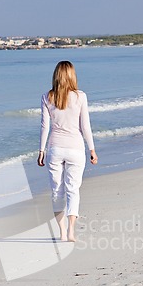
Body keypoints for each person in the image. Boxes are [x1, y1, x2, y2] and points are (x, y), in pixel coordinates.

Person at [37, 60, 98, 242]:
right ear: (72, 75)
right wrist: (92, 149)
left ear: (56, 75)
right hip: (76, 149)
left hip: (55, 149)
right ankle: (71, 231)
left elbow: (44, 127)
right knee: (73, 189)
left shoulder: (47, 97)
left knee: (57, 191)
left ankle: (62, 232)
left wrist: (41, 151)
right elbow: (85, 126)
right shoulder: (80, 97)